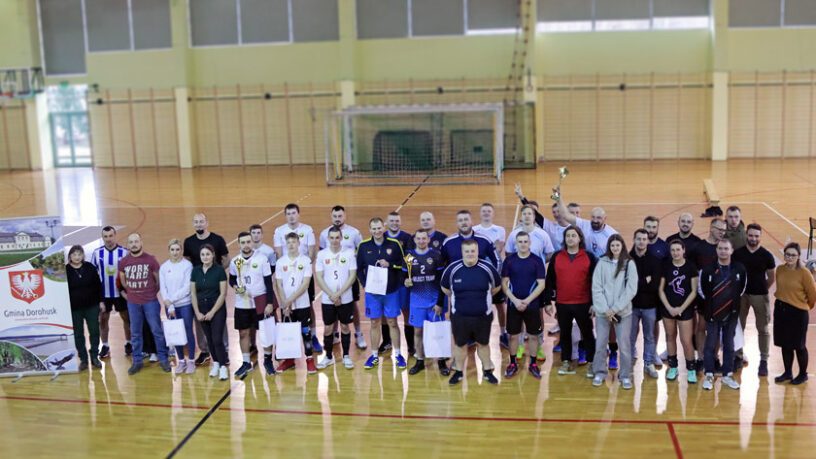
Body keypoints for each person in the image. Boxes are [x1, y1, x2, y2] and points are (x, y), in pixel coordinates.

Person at [441, 239, 502, 386]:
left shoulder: (488, 268)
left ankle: (487, 371)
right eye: (467, 251)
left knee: (483, 344)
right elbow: (445, 289)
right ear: (462, 252)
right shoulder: (452, 269)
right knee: (460, 345)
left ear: (477, 252)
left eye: (473, 251)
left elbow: (496, 287)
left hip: (483, 317)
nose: (470, 254)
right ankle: (459, 372)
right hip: (460, 317)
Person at [543, 225, 597, 377]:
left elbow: (595, 282)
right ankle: (566, 361)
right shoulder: (557, 256)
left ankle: (591, 362)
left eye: (574, 235)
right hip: (563, 304)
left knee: (587, 334)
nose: (570, 238)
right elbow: (550, 280)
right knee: (565, 334)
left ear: (580, 239)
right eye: (568, 236)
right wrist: (547, 302)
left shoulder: (589, 257)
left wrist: (594, 303)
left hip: (583, 303)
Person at [505, 205, 554, 361]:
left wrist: (538, 264)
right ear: (521, 216)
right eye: (524, 213)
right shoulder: (514, 235)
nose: (527, 216)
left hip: (537, 282)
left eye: (530, 214)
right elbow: (508, 254)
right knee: (518, 315)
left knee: (538, 314)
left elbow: (550, 254)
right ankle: (519, 345)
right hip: (518, 281)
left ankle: (538, 346)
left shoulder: (542, 234)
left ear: (534, 217)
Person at [357, 218, 406, 369]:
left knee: (392, 322)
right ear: (370, 230)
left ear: (383, 228)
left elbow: (403, 264)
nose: (377, 231)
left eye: (379, 228)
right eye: (374, 228)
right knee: (374, 323)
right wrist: (365, 285)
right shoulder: (364, 246)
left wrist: (390, 265)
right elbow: (359, 269)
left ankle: (398, 354)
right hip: (373, 293)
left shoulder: (394, 244)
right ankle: (374, 355)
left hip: (391, 292)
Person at [118, 233, 170, 375]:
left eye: (136, 241)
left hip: (150, 302)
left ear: (141, 243)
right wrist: (132, 294)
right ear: (127, 245)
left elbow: (158, 281)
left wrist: (149, 293)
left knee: (157, 331)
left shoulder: (151, 260)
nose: (134, 244)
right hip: (133, 303)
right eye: (131, 242)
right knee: (135, 333)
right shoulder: (123, 262)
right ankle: (137, 361)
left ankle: (163, 358)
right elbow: (123, 282)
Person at [273, 203, 322, 353]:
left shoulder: (307, 230)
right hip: (286, 273)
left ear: (298, 214)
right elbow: (279, 254)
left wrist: (301, 268)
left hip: (303, 273)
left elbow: (312, 252)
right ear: (285, 215)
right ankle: (289, 344)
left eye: (294, 213)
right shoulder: (279, 231)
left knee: (308, 305)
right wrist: (287, 268)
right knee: (286, 307)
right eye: (288, 214)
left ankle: (313, 336)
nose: (291, 216)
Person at [591, 234, 638, 389]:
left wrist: (615, 309)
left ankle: (625, 375)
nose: (615, 248)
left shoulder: (629, 264)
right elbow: (596, 288)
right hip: (603, 313)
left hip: (623, 313)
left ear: (622, 246)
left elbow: (631, 290)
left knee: (624, 346)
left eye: (618, 245)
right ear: (609, 247)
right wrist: (605, 309)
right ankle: (599, 372)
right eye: (612, 245)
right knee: (600, 344)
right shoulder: (602, 263)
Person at [699, 239, 746, 391]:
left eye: (726, 248)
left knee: (729, 345)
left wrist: (730, 304)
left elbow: (741, 289)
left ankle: (727, 374)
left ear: (731, 251)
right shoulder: (707, 269)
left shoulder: (739, 269)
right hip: (713, 313)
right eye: (720, 248)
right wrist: (714, 305)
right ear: (716, 250)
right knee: (710, 344)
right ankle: (709, 374)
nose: (723, 251)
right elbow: (702, 290)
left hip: (731, 314)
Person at [183, 213, 229, 366]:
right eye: (196, 222)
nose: (199, 224)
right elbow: (188, 262)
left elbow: (226, 259)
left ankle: (224, 350)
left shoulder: (217, 239)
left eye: (201, 221)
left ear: (207, 223)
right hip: (199, 287)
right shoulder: (189, 242)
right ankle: (204, 351)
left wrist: (215, 274)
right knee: (200, 320)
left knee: (219, 320)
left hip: (215, 288)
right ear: (193, 224)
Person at [318, 206, 367, 350]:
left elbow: (361, 252)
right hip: (331, 279)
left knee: (352, 305)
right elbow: (323, 254)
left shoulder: (354, 233)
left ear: (344, 216)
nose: (337, 219)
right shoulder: (324, 234)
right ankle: (334, 334)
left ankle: (358, 334)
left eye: (340, 216)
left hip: (349, 277)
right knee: (332, 304)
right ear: (331, 217)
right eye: (335, 216)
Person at [501, 232, 547, 379]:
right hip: (513, 305)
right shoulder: (509, 261)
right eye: (520, 241)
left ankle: (533, 364)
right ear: (516, 243)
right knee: (513, 336)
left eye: (525, 241)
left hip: (532, 305)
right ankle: (512, 363)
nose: (522, 244)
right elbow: (504, 283)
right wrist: (514, 300)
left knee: (533, 336)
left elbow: (541, 284)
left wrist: (527, 301)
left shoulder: (537, 261)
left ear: (529, 243)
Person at [403, 229, 448, 376]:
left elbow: (442, 281)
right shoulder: (409, 257)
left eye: (424, 238)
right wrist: (405, 281)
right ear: (414, 240)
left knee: (438, 332)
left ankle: (441, 361)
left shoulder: (436, 255)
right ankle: (420, 360)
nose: (421, 241)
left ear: (428, 240)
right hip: (417, 303)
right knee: (418, 332)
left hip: (434, 302)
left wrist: (440, 303)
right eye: (419, 238)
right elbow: (403, 276)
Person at [732, 224, 776, 376]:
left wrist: (762, 289)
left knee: (763, 329)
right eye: (751, 235)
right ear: (746, 235)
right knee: (739, 327)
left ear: (760, 237)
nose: (753, 238)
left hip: (760, 296)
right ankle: (738, 357)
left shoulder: (766, 255)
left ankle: (763, 361)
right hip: (741, 296)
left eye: (756, 236)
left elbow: (771, 277)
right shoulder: (738, 254)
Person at [230, 232, 275, 377]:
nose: (246, 245)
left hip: (260, 303)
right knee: (243, 333)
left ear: (252, 243)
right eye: (243, 242)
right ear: (238, 244)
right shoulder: (235, 261)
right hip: (242, 304)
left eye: (248, 242)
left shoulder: (262, 259)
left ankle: (268, 360)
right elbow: (232, 279)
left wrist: (269, 303)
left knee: (265, 332)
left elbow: (269, 283)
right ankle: (245, 362)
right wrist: (235, 287)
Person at [315, 226, 358, 370]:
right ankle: (328, 357)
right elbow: (319, 277)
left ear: (341, 238)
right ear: (328, 239)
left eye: (337, 237)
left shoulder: (349, 253)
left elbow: (352, 276)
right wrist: (331, 295)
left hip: (345, 298)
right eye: (332, 238)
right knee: (328, 328)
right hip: (328, 299)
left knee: (345, 326)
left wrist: (339, 294)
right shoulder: (322, 255)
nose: (334, 240)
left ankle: (346, 356)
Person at [772, 242, 816, 385]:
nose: (790, 257)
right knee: (785, 344)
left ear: (798, 256)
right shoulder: (780, 269)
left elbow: (812, 295)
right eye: (787, 254)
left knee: (799, 345)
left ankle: (803, 374)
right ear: (784, 255)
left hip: (798, 313)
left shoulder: (804, 273)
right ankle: (788, 372)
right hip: (781, 310)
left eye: (793, 255)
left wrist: (803, 307)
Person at [688, 217, 726, 371]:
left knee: (716, 329)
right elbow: (692, 272)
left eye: (724, 230)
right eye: (719, 229)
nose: (722, 232)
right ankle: (701, 358)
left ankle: (715, 358)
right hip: (703, 295)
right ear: (711, 228)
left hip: (720, 296)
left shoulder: (724, 248)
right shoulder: (698, 248)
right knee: (701, 326)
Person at [658, 239, 698, 383]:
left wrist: (681, 308)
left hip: (685, 310)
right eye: (673, 250)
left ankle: (691, 369)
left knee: (686, 340)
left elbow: (694, 291)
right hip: (668, 309)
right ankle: (673, 367)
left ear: (683, 250)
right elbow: (661, 290)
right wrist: (669, 307)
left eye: (678, 250)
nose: (675, 253)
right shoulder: (666, 266)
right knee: (670, 337)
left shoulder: (691, 267)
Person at [275, 232, 316, 373]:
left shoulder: (305, 261)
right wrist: (284, 304)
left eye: (294, 242)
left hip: (302, 304)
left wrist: (288, 301)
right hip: (286, 306)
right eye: (288, 242)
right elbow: (279, 284)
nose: (291, 245)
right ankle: (289, 360)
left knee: (306, 332)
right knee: (289, 333)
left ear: (299, 243)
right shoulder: (281, 262)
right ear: (285, 244)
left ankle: (309, 359)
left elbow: (305, 284)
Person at [190, 244, 229, 380]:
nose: (205, 257)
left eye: (207, 254)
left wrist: (212, 312)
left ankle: (223, 367)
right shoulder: (195, 271)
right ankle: (216, 364)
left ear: (213, 255)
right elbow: (193, 293)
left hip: (216, 307)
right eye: (203, 254)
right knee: (210, 339)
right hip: (201, 307)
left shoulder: (219, 271)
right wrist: (197, 312)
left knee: (217, 338)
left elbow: (223, 293)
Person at [91, 226, 130, 359]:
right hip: (104, 294)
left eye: (111, 236)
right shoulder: (97, 253)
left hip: (121, 293)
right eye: (105, 236)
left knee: (126, 318)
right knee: (103, 320)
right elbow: (93, 275)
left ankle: (128, 343)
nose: (108, 239)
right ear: (102, 237)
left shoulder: (124, 252)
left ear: (115, 235)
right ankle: (105, 345)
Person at [158, 239, 195, 375]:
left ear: (181, 250)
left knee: (188, 331)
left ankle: (191, 360)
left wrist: (171, 300)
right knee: (175, 332)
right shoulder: (164, 267)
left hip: (185, 305)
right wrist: (168, 303)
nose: (175, 252)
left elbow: (187, 287)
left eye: (177, 249)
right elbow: (163, 288)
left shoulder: (187, 266)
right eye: (172, 250)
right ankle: (181, 361)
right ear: (169, 251)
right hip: (170, 306)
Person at [475, 203, 509, 349]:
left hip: (496, 273)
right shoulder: (474, 230)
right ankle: (478, 334)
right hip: (479, 274)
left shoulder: (499, 230)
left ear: (493, 213)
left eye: (489, 211)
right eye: (484, 211)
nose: (486, 213)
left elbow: (499, 249)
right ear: (480, 213)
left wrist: (483, 250)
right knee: (480, 305)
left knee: (500, 306)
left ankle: (503, 333)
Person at [629, 229, 661, 379]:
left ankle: (648, 363)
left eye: (644, 239)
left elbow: (654, 285)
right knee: (630, 336)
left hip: (650, 306)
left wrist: (638, 284)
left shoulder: (655, 260)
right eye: (639, 239)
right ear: (634, 240)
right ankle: (628, 362)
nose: (641, 242)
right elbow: (628, 285)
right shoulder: (628, 259)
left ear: (648, 241)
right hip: (632, 306)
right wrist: (644, 281)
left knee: (649, 336)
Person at [67, 245, 104, 371]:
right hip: (74, 308)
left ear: (83, 255)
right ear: (70, 256)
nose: (77, 257)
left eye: (79, 254)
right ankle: (83, 359)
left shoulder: (90, 267)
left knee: (94, 331)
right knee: (78, 334)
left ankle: (94, 356)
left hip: (91, 306)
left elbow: (98, 285)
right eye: (74, 255)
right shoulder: (66, 270)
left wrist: (101, 301)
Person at [385, 211, 415, 356]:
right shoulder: (382, 237)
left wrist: (393, 265)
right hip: (387, 283)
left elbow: (409, 260)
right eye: (391, 221)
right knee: (387, 315)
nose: (394, 223)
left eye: (397, 221)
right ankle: (387, 342)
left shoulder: (407, 237)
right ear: (387, 222)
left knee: (406, 312)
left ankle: (411, 345)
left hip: (402, 282)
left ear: (400, 222)